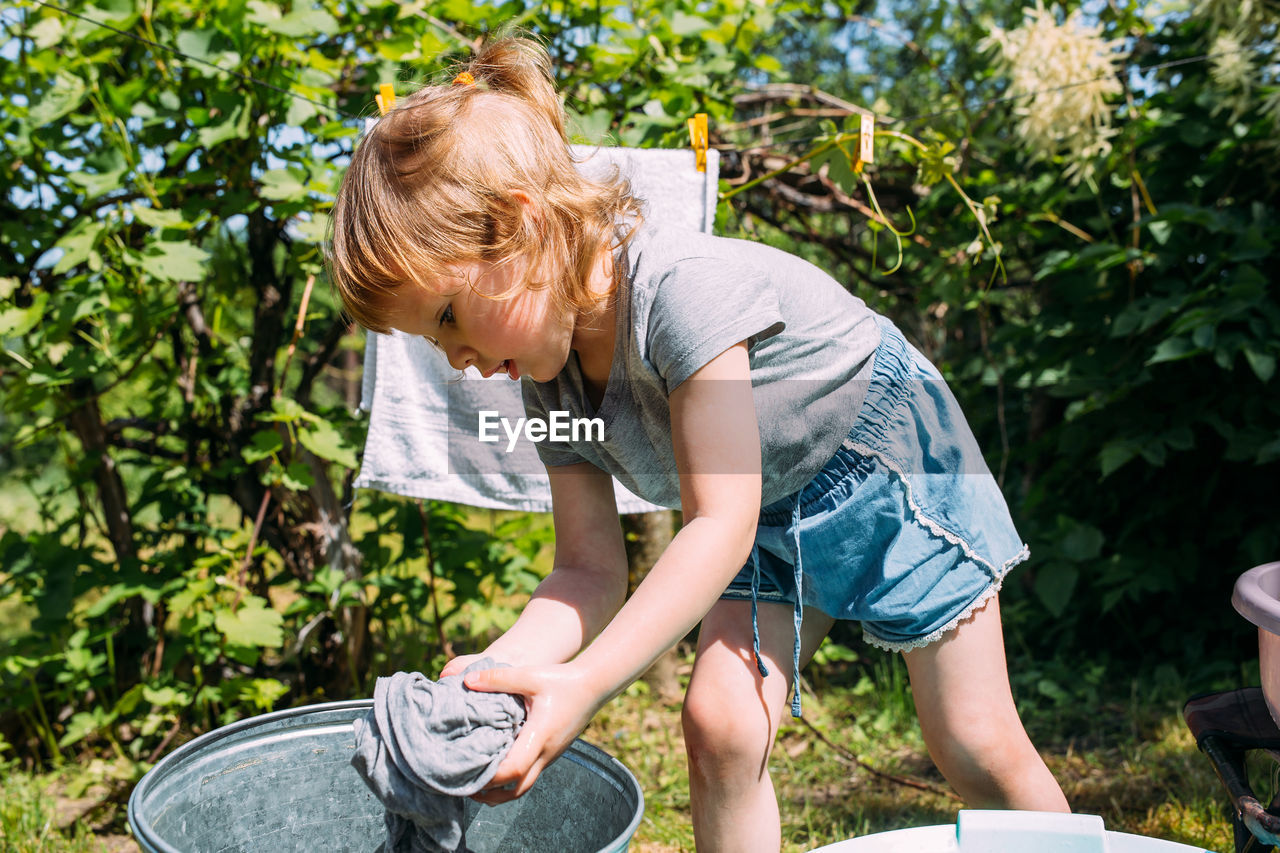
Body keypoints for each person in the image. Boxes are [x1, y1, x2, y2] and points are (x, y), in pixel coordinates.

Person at [327, 36, 1069, 851]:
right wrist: (490, 677)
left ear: (517, 227)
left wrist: (586, 685)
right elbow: (587, 568)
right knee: (721, 724)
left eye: (447, 318)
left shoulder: (681, 293)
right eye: (434, 344)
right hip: (769, 508)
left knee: (973, 742)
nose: (458, 361)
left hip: (889, 467)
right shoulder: (546, 381)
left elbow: (719, 520)